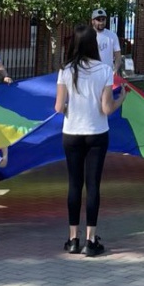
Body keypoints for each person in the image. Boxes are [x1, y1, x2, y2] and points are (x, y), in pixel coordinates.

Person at [55, 24, 128, 257]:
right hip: (97, 132)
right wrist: (121, 99)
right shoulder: (105, 70)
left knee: (74, 184)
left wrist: (70, 108)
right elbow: (106, 108)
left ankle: (72, 238)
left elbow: (58, 107)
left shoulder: (66, 70)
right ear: (93, 45)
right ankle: (90, 240)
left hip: (72, 132)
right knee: (93, 185)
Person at [91, 9, 122, 73]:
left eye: (103, 19)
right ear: (93, 21)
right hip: (92, 73)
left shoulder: (112, 35)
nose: (101, 22)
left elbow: (118, 55)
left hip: (108, 73)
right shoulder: (88, 35)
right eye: (98, 20)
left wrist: (115, 70)